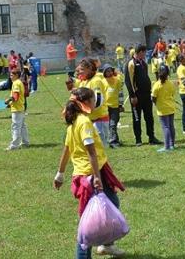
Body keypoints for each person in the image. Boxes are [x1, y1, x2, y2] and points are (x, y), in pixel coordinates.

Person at [53, 87, 125, 258]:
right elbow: (90, 152)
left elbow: (66, 150)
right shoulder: (83, 122)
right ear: (85, 103)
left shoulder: (74, 122)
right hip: (90, 174)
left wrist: (60, 174)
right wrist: (97, 178)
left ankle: (106, 244)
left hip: (94, 171)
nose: (95, 102)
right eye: (93, 100)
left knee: (111, 202)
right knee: (89, 220)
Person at [124, 44, 160, 146]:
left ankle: (151, 137)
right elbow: (128, 81)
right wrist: (132, 96)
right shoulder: (131, 63)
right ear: (140, 52)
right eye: (144, 53)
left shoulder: (143, 63)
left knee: (149, 117)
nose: (145, 55)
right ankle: (138, 139)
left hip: (147, 94)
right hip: (137, 96)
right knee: (137, 118)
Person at [66, 60, 109, 144]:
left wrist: (85, 110)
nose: (79, 72)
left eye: (82, 69)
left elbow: (98, 100)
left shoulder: (96, 81)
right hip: (89, 119)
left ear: (89, 69)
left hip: (99, 120)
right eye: (78, 70)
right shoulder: (84, 81)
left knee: (99, 147)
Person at [151, 65, 176, 152]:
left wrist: (156, 103)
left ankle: (167, 147)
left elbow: (153, 98)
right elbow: (172, 94)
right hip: (171, 107)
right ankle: (172, 144)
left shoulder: (156, 85)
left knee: (165, 127)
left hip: (162, 109)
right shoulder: (171, 83)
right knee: (171, 126)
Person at [5, 69, 29, 150]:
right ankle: (25, 142)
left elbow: (15, 96)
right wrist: (10, 104)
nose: (10, 76)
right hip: (21, 107)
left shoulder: (16, 83)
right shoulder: (19, 82)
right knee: (22, 126)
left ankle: (14, 145)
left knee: (16, 127)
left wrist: (8, 100)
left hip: (17, 109)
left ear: (16, 75)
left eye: (12, 75)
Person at [102, 64, 124, 148]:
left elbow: (120, 92)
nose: (109, 73)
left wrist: (121, 104)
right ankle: (113, 141)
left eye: (110, 71)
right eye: (107, 71)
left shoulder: (117, 80)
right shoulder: (102, 81)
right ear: (104, 73)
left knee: (113, 123)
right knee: (110, 124)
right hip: (105, 107)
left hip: (115, 106)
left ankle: (114, 140)